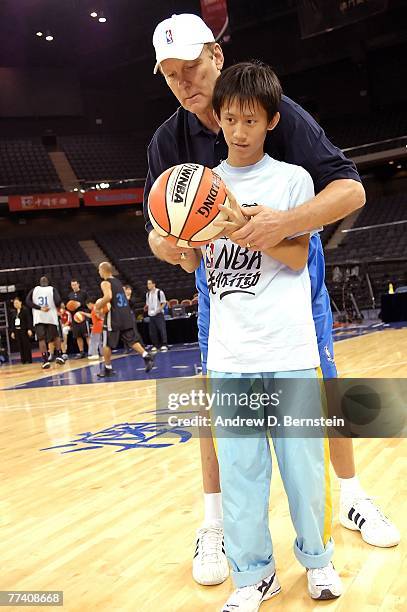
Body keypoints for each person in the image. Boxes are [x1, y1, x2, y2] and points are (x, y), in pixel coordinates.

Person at [145, 13, 399, 584]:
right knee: (220, 411)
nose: (183, 83)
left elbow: (350, 187)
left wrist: (283, 222)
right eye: (169, 76)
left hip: (293, 282)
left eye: (190, 68)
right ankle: (216, 524)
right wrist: (174, 245)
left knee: (321, 397)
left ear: (215, 55)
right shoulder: (169, 141)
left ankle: (351, 497)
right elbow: (158, 236)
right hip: (225, 292)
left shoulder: (268, 108)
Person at [182, 58, 343, 610]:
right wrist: (179, 243)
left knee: (303, 467)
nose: (239, 132)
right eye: (230, 120)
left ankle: (318, 561)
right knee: (242, 476)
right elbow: (184, 260)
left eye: (251, 120)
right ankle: (253, 575)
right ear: (219, 122)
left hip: (291, 349)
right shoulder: (200, 187)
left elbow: (298, 258)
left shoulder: (293, 179)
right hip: (231, 355)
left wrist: (250, 228)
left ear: (273, 121)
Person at [96, 263, 155, 377]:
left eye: (99, 270)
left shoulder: (105, 282)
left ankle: (108, 369)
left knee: (106, 342)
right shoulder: (118, 282)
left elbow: (108, 296)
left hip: (114, 316)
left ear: (103, 270)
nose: (99, 273)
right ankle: (146, 355)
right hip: (125, 314)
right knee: (131, 340)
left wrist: (98, 307)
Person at [26, 276, 66, 370]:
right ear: (48, 282)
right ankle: (59, 356)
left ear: (40, 282)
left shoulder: (34, 290)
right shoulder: (52, 289)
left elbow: (27, 301)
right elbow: (57, 301)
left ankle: (45, 360)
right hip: (50, 317)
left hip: (39, 317)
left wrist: (39, 308)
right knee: (56, 337)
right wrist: (59, 305)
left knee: (41, 339)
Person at [67, 279, 89, 359]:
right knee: (78, 336)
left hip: (83, 316)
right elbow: (69, 307)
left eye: (75, 284)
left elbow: (89, 303)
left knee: (87, 335)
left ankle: (91, 352)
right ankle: (81, 352)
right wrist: (71, 307)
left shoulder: (84, 293)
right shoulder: (70, 295)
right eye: (72, 285)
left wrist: (80, 304)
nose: (74, 286)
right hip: (75, 317)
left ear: (78, 284)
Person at [146, 279, 168, 352]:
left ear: (153, 284)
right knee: (153, 331)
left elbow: (164, 302)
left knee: (162, 329)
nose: (148, 285)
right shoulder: (147, 294)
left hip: (159, 314)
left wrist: (159, 309)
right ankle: (155, 345)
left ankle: (164, 344)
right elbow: (148, 304)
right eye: (147, 284)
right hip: (151, 315)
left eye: (149, 283)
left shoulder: (159, 292)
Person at [10, 297, 33, 364]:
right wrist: (12, 331)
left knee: (26, 345)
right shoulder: (14, 312)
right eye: (14, 303)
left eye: (17, 303)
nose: (16, 304)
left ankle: (29, 359)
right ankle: (23, 360)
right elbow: (12, 323)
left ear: (20, 302)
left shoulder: (25, 310)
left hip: (24, 330)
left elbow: (29, 320)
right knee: (20, 345)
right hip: (17, 330)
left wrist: (29, 329)